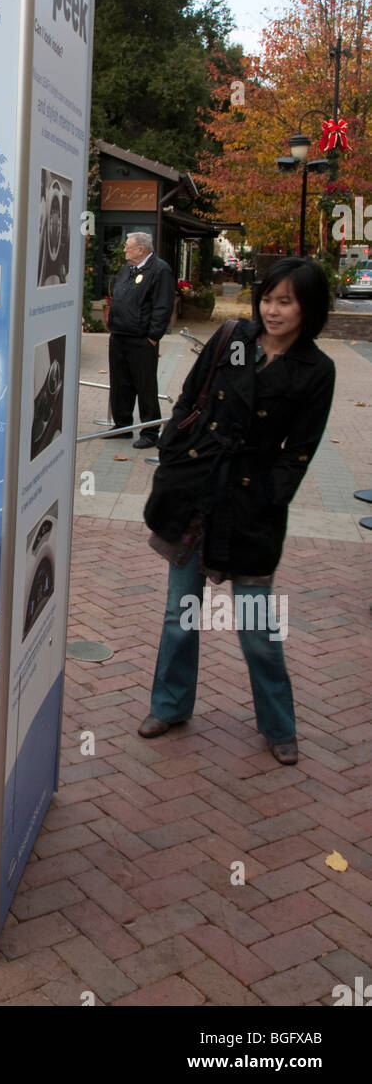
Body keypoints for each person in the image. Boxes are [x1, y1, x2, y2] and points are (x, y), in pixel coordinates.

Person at [139, 257, 335, 766]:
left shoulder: (318, 369)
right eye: (268, 298)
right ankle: (170, 705)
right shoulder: (233, 338)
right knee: (180, 615)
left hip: (251, 506)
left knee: (256, 628)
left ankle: (278, 725)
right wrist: (171, 447)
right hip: (197, 493)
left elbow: (301, 449)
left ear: (308, 308)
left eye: (286, 302)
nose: (273, 310)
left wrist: (272, 494)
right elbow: (187, 397)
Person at [108, 231, 176, 448]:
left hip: (142, 339)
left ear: (141, 249)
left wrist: (153, 337)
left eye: (128, 246)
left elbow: (163, 305)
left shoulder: (160, 270)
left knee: (145, 385)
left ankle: (150, 431)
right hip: (119, 335)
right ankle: (122, 426)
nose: (125, 250)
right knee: (120, 384)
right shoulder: (128, 268)